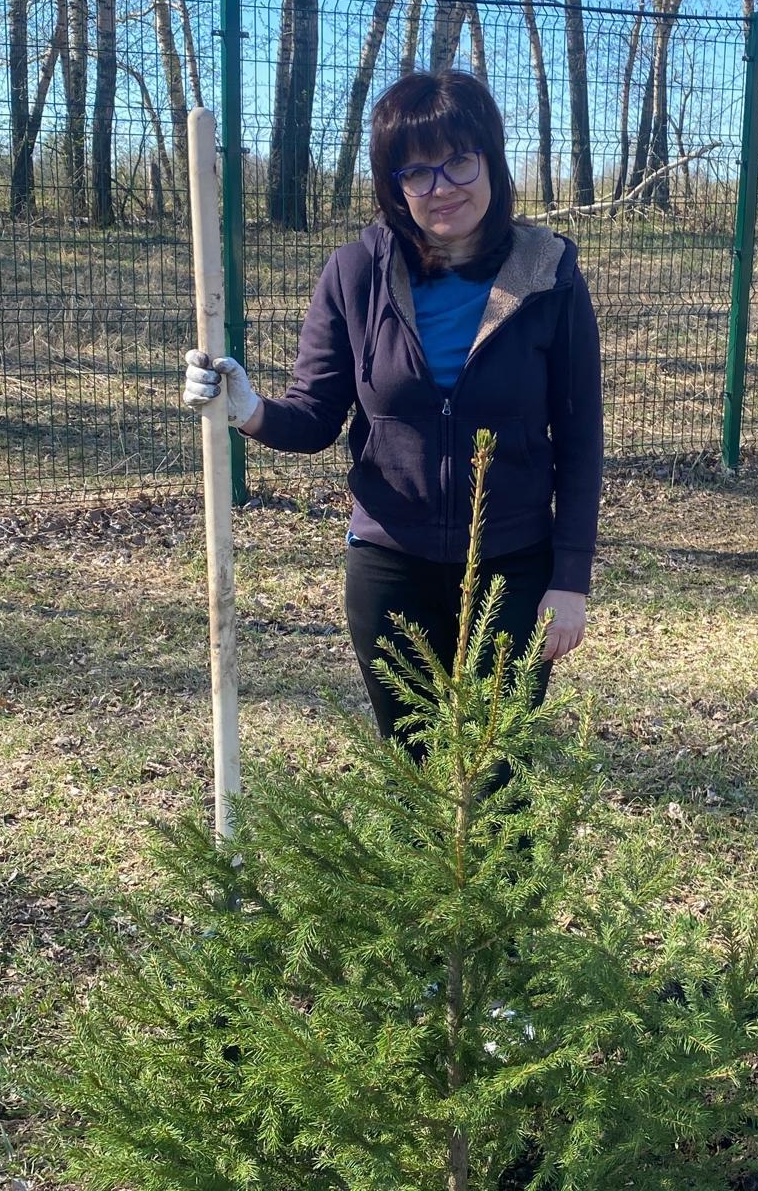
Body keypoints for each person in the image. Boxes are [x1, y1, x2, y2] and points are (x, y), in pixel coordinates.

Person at [184, 70, 603, 753]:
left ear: (492, 160)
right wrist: (249, 409)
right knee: (411, 766)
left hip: (514, 567)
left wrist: (570, 579)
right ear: (394, 185)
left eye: (459, 160)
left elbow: (581, 437)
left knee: (496, 772)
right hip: (391, 566)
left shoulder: (548, 274)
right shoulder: (356, 273)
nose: (442, 187)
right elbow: (315, 416)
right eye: (417, 172)